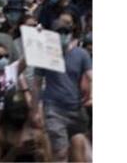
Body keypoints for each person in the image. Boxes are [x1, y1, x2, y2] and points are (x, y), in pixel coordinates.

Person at [37, 14, 92, 162]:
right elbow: (37, 83)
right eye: (59, 33)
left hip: (77, 109)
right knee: (60, 153)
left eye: (66, 32)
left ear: (71, 34)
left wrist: (91, 95)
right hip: (54, 110)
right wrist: (35, 109)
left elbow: (90, 76)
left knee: (80, 149)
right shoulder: (44, 55)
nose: (63, 35)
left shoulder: (82, 54)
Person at [0, 89, 53, 162]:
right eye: (16, 111)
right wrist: (14, 153)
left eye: (22, 111)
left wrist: (41, 157)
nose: (19, 115)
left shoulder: (37, 135)